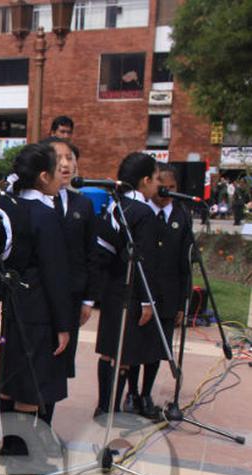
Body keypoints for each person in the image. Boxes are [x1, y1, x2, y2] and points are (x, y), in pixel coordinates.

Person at [0, 144, 73, 474]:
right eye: (59, 169)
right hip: (40, 308)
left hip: (15, 303)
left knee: (12, 377)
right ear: (44, 177)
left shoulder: (6, 206)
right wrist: (63, 323)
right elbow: (56, 274)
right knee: (32, 381)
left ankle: (10, 445)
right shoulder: (44, 214)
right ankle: (24, 456)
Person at [89, 152, 161, 416]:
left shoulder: (114, 205)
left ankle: (104, 405)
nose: (157, 184)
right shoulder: (143, 212)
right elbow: (145, 260)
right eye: (155, 178)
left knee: (109, 351)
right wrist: (147, 300)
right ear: (144, 180)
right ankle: (111, 408)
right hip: (131, 293)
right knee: (123, 354)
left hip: (112, 289)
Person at [123, 163, 192, 419]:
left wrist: (182, 302)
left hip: (168, 293)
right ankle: (131, 392)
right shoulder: (141, 213)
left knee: (156, 348)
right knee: (137, 344)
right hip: (141, 291)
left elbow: (185, 263)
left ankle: (145, 393)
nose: (165, 191)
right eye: (160, 184)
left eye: (171, 187)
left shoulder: (181, 215)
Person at [41, 137, 96, 389]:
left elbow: (90, 253)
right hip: (38, 297)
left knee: (60, 364)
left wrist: (87, 299)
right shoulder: (30, 201)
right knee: (37, 361)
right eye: (58, 157)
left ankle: (46, 423)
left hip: (71, 297)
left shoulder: (82, 204)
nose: (64, 164)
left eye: (70, 158)